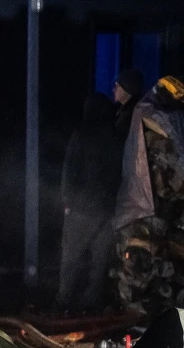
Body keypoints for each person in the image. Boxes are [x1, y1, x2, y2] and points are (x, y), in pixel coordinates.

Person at [58, 93, 122, 312]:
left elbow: (70, 169)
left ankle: (65, 301)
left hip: (82, 208)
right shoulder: (115, 136)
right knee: (99, 259)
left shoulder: (82, 134)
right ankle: (91, 303)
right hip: (108, 208)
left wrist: (67, 199)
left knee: (72, 256)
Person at [114, 68, 143, 140]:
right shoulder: (121, 110)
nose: (114, 90)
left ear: (127, 89)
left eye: (117, 86)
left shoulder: (131, 115)